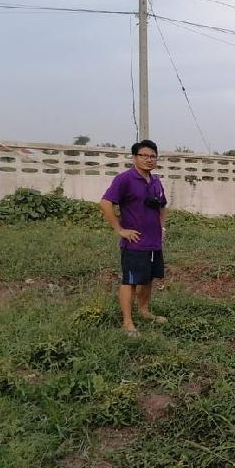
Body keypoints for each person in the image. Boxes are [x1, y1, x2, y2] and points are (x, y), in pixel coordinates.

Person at [99, 139, 168, 336]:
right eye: (144, 155)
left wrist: (161, 227)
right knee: (130, 281)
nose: (149, 159)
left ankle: (144, 311)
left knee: (147, 279)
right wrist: (120, 230)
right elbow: (105, 203)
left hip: (153, 242)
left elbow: (162, 205)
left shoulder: (155, 181)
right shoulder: (125, 179)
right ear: (134, 157)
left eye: (153, 156)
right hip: (135, 243)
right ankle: (127, 322)